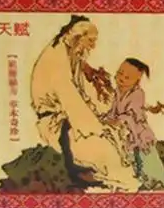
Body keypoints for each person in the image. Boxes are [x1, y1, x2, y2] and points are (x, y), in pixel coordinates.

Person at [30, 16, 138, 192]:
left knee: (113, 134)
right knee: (101, 144)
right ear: (78, 37)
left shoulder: (70, 52)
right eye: (91, 41)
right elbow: (72, 100)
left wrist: (99, 118)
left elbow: (80, 93)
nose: (93, 46)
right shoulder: (57, 58)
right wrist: (97, 126)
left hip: (68, 115)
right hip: (55, 121)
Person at [102, 58, 164, 191]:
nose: (121, 78)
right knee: (133, 163)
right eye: (120, 73)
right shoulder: (118, 91)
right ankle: (140, 185)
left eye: (127, 77)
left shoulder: (138, 94)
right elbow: (114, 110)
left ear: (137, 81)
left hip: (139, 133)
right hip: (127, 133)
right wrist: (107, 118)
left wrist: (117, 120)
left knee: (148, 160)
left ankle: (160, 186)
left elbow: (131, 114)